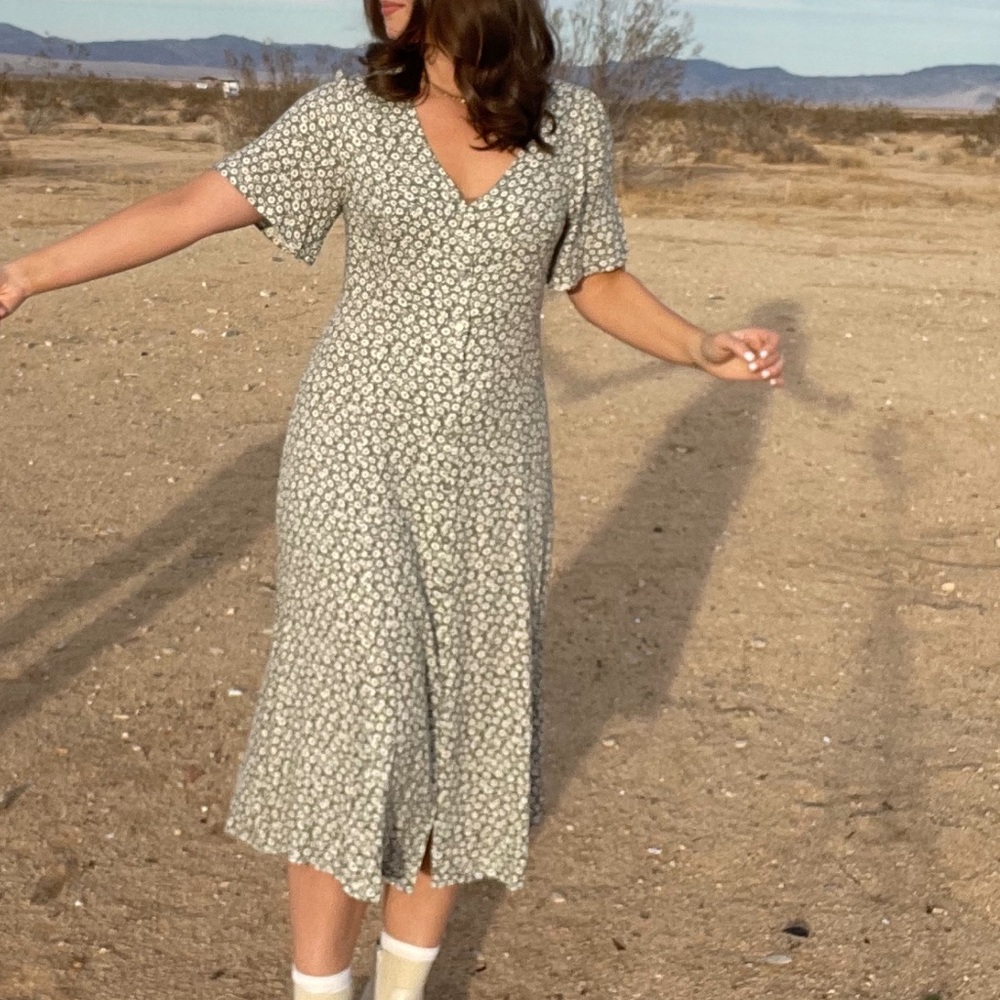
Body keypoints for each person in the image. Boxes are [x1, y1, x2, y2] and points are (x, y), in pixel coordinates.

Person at [0, 0, 784, 997]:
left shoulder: (570, 124)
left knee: (460, 728)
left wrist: (697, 345)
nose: (389, 2)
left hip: (496, 469)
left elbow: (595, 278)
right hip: (351, 452)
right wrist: (24, 273)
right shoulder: (349, 115)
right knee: (360, 721)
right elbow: (199, 203)